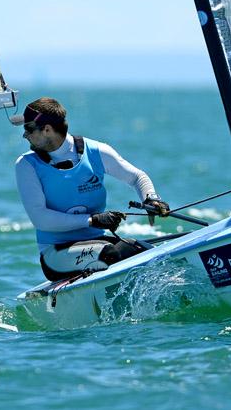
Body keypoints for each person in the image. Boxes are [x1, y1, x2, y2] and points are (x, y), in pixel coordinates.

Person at [13, 97, 170, 281]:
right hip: (55, 254)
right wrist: (92, 220)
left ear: (47, 129)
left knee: (155, 255)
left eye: (29, 129)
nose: (25, 135)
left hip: (97, 242)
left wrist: (151, 198)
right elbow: (41, 219)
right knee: (112, 254)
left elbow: (137, 177)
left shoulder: (95, 151)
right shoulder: (26, 165)